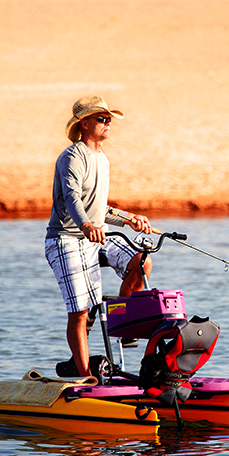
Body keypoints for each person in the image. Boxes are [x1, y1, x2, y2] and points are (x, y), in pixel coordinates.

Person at [45, 95, 154, 378]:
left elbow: (99, 209)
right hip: (66, 239)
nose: (108, 124)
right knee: (80, 312)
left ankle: (121, 324)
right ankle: (85, 376)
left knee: (141, 261)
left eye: (109, 119)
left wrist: (130, 219)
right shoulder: (72, 157)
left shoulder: (102, 159)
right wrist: (85, 225)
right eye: (102, 119)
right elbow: (72, 199)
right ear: (84, 124)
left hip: (96, 236)